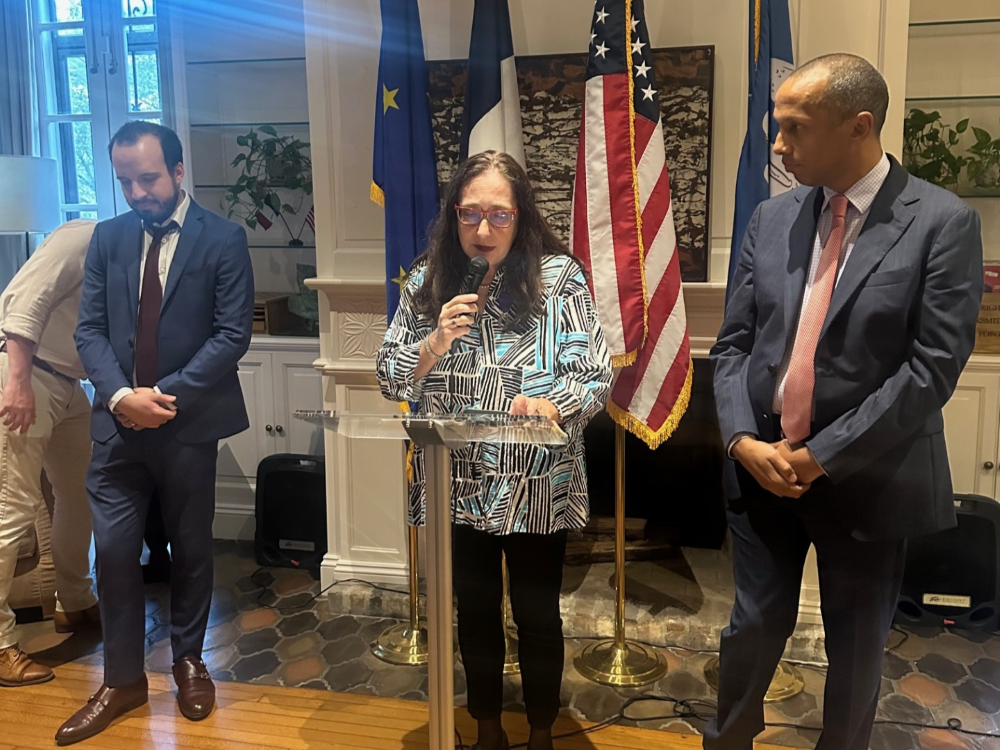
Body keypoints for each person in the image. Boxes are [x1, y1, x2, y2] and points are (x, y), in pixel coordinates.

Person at [707, 54, 983, 750]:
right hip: (762, 468)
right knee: (751, 627)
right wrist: (742, 440)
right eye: (779, 127)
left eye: (795, 128)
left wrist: (822, 456)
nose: (778, 144)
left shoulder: (942, 224)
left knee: (856, 649)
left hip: (871, 478)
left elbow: (932, 369)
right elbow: (734, 345)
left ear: (858, 127)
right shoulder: (771, 220)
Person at [377, 150, 612, 750]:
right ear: (453, 216)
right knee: (473, 612)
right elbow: (389, 375)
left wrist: (554, 404)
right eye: (470, 214)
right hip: (455, 483)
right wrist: (432, 341)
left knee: (537, 615)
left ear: (522, 216)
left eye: (499, 216)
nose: (483, 231)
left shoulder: (560, 278)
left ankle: (539, 733)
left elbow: (595, 371)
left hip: (537, 483)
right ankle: (485, 730)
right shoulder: (429, 277)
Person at [57, 122, 254, 745]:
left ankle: (189, 663)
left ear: (176, 170)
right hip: (116, 427)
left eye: (147, 178)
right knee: (114, 554)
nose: (137, 193)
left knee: (191, 547)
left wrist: (161, 399)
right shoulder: (108, 239)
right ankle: (121, 681)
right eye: (124, 182)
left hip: (188, 424)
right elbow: (88, 329)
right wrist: (120, 397)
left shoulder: (223, 238)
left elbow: (231, 335)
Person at [0, 220, 100, 687]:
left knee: (80, 491)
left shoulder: (143, 259)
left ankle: (75, 600)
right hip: (27, 373)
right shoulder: (82, 236)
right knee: (12, 507)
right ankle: (1, 646)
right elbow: (23, 300)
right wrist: (16, 382)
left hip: (67, 383)